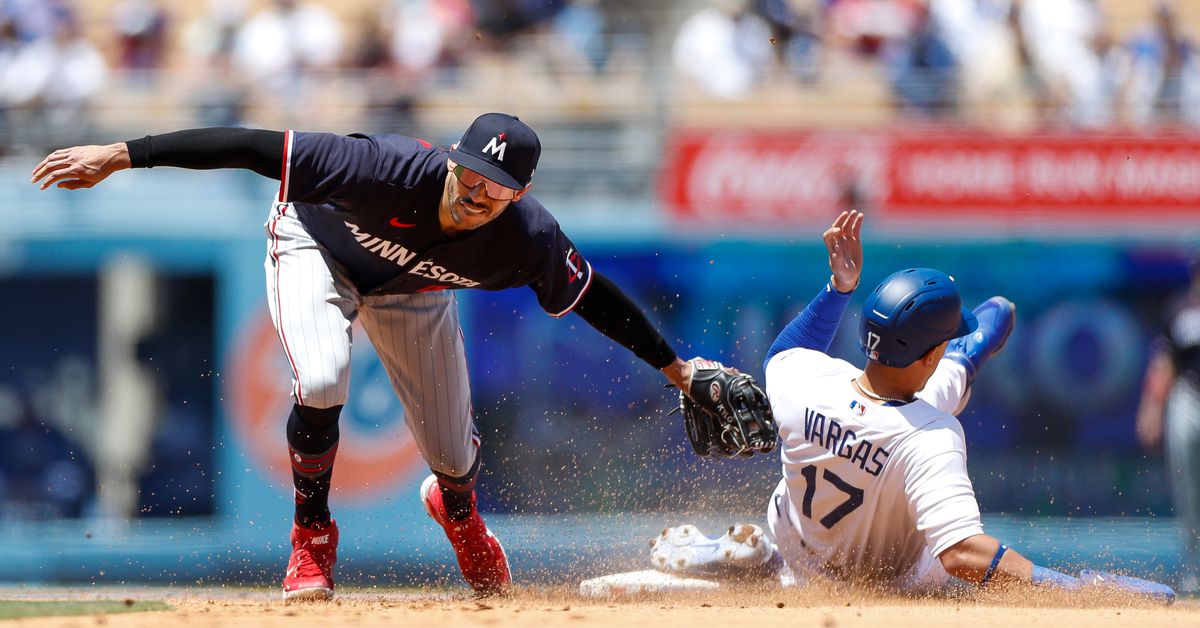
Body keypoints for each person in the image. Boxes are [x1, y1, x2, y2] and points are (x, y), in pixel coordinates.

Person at [30, 113, 729, 600]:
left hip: (413, 292)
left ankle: (457, 511)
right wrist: (123, 154)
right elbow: (249, 146)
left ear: (522, 193)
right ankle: (312, 535)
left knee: (454, 458)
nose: (476, 192)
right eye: (471, 173)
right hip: (316, 248)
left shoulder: (527, 238)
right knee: (324, 376)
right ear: (453, 160)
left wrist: (676, 370)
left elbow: (592, 297)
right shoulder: (385, 168)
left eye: (496, 187)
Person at [652, 210, 1175, 601]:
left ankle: (760, 561)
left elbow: (787, 348)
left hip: (795, 542)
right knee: (943, 570)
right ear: (929, 355)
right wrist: (1071, 586)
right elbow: (963, 553)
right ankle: (762, 566)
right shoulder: (931, 434)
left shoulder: (802, 376)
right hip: (883, 584)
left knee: (951, 373)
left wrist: (840, 287)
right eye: (943, 345)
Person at [1136, 257, 1200, 594]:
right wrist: (1151, 410)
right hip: (1188, 398)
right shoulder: (1181, 308)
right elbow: (1164, 362)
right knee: (1189, 491)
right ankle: (1193, 571)